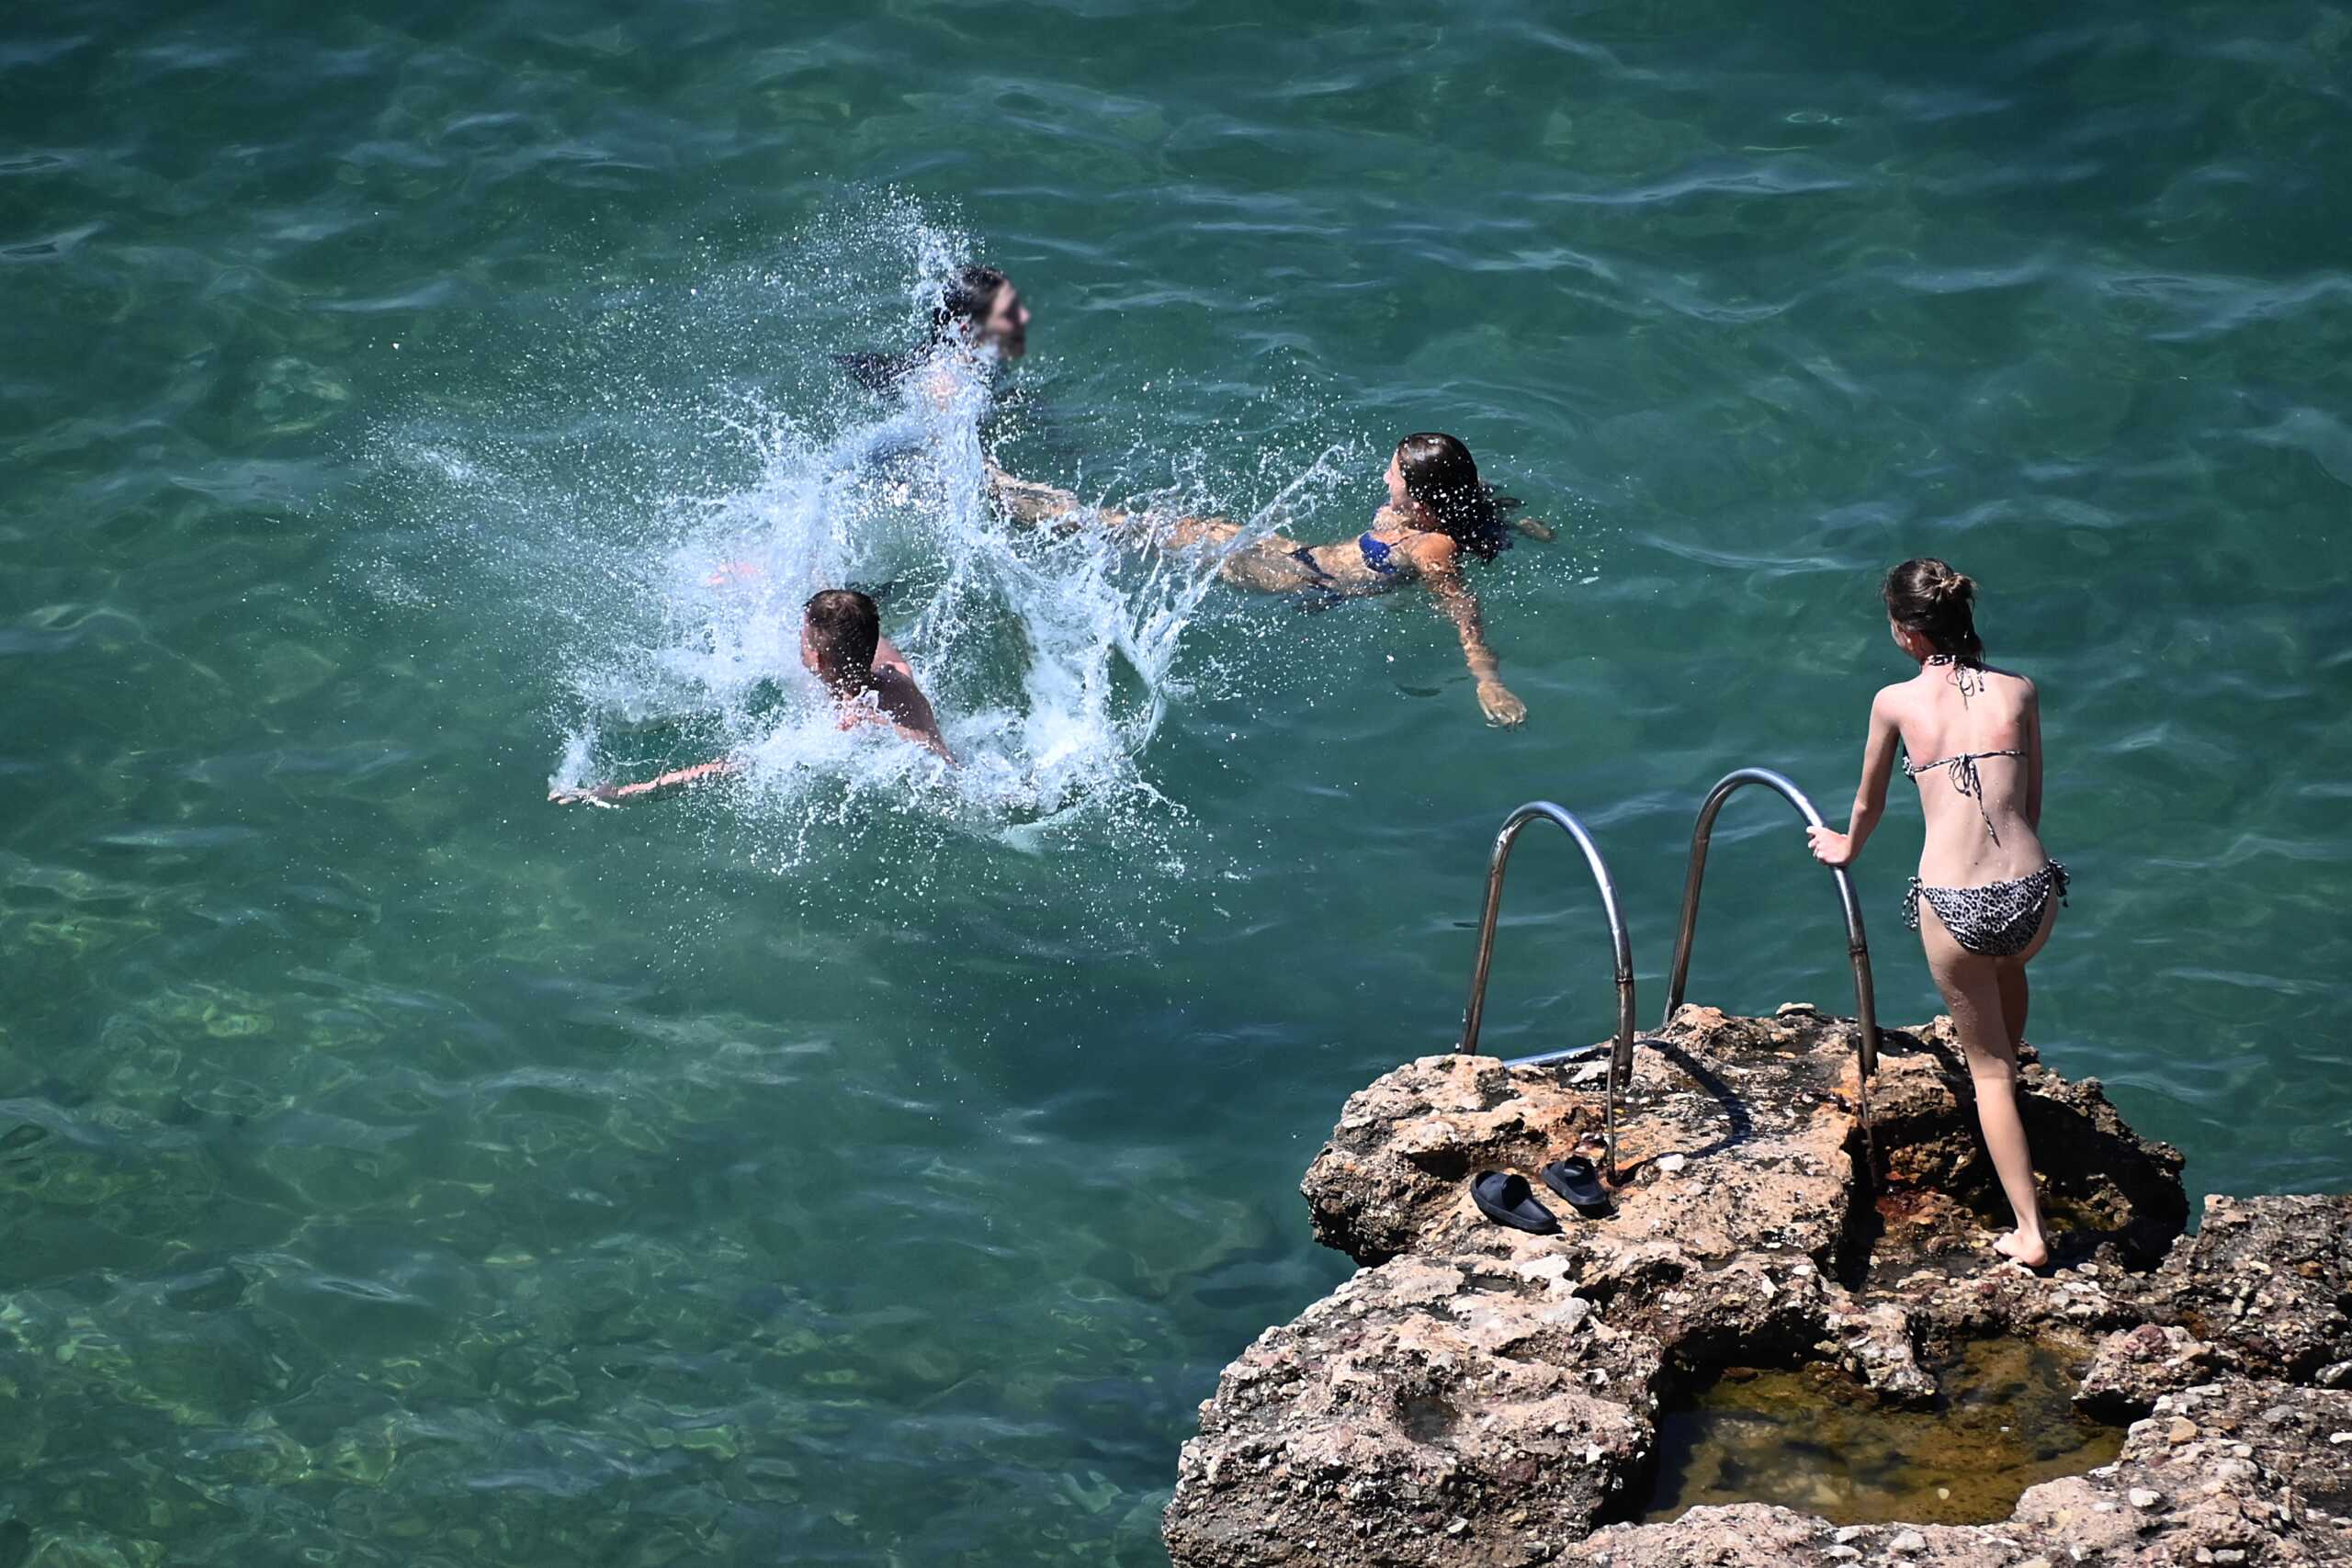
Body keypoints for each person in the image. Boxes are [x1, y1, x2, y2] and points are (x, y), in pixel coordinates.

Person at [1804, 558, 2067, 1269]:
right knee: (2007, 973)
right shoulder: (2020, 690)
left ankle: (2030, 1231)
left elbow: (1869, 803)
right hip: (2034, 892)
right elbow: (2031, 799)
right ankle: (2015, 1091)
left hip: (1954, 905)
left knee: (1984, 1072)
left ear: (1907, 633)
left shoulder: (1894, 702)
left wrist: (1843, 847)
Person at [990, 433, 1551, 727]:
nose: (1385, 475)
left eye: (1394, 472)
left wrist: (1486, 679)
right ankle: (1030, 501)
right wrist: (1522, 526)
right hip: (1303, 559)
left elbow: (1463, 610)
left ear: (1421, 494)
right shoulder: (1449, 508)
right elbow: (1480, 508)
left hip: (1300, 581)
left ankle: (1020, 504)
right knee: (1175, 527)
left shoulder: (1431, 547)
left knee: (1160, 534)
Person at [548, 589, 953, 805]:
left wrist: (625, 792)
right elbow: (861, 632)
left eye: (805, 636)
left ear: (819, 659)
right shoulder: (893, 673)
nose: (799, 639)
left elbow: (726, 768)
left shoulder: (841, 726)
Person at [839, 264, 1030, 398]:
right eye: (1008, 314)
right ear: (966, 329)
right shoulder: (944, 388)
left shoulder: (977, 362)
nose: (1023, 316)